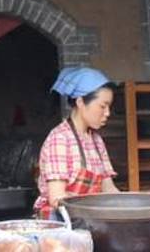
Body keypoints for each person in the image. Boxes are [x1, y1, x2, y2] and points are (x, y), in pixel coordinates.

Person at [34, 67, 119, 219]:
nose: (107, 113)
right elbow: (57, 198)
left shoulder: (96, 141)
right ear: (80, 102)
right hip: (61, 222)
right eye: (102, 106)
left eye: (109, 107)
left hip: (87, 218)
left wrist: (128, 207)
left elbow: (109, 189)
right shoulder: (60, 139)